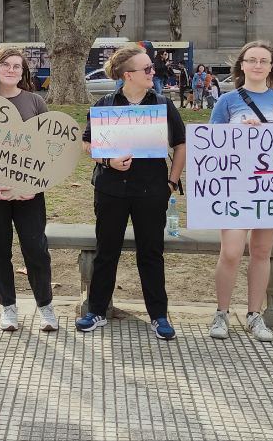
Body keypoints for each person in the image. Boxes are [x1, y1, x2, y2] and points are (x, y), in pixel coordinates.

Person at [76, 44, 187, 340]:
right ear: (129, 75)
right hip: (110, 189)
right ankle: (96, 310)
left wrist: (172, 183)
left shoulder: (163, 105)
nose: (154, 72)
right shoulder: (103, 106)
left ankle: (159, 315)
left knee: (151, 253)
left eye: (152, 68)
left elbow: (180, 144)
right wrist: (107, 160)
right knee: (106, 251)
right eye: (147, 69)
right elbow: (87, 144)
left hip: (152, 191)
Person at [207, 40, 273, 343]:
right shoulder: (227, 101)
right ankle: (221, 313)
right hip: (234, 186)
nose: (258, 65)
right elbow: (211, 144)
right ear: (242, 65)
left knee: (262, 252)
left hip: (271, 188)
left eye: (264, 61)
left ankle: (254, 314)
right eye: (252, 60)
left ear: (272, 66)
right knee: (232, 251)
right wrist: (238, 134)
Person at [0, 47, 58, 332]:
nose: (11, 70)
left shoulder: (35, 102)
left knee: (36, 249)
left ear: (24, 72)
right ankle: (8, 307)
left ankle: (45, 306)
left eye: (17, 66)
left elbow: (49, 149)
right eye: (6, 65)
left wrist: (35, 185)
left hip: (30, 193)